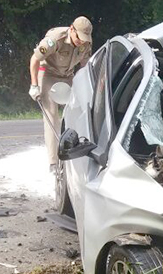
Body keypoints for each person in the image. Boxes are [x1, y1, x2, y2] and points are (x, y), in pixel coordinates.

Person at [28, 17, 93, 170]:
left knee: (78, 111)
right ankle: (53, 163)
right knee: (51, 116)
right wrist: (34, 85)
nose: (81, 42)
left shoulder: (86, 42)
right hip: (48, 74)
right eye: (79, 37)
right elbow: (35, 59)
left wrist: (85, 88)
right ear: (72, 29)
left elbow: (85, 67)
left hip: (68, 75)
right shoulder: (55, 39)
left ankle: (75, 152)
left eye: (84, 39)